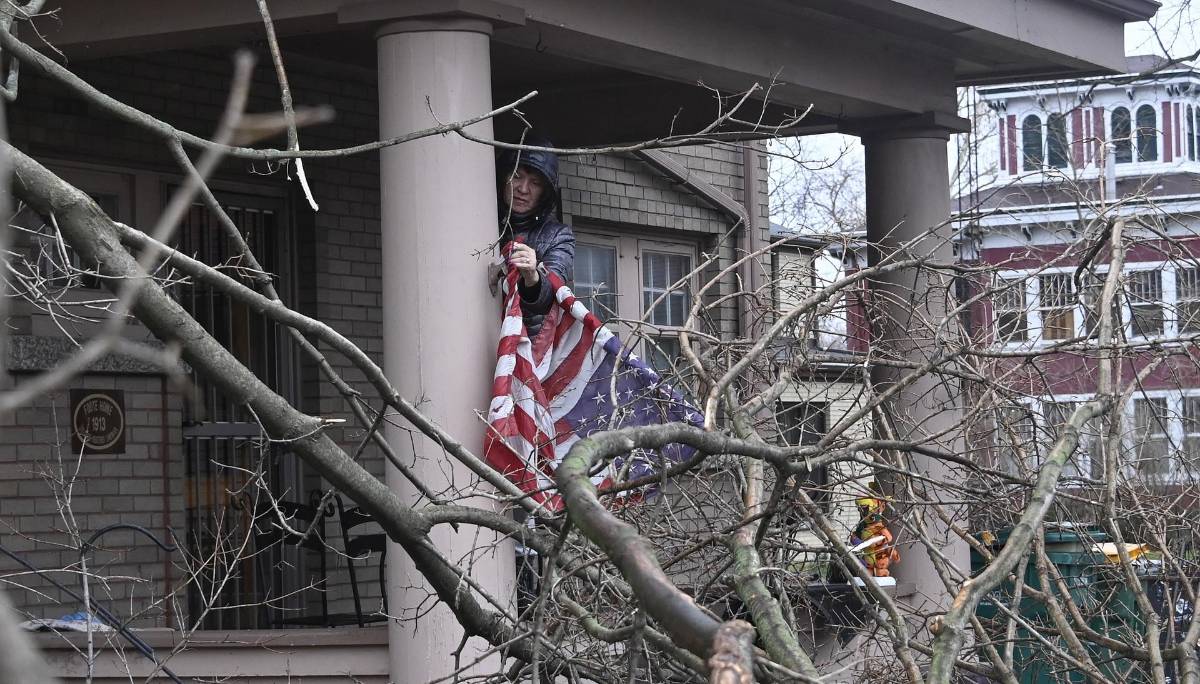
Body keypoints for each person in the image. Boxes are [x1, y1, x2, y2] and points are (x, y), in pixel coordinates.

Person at [495, 137, 575, 336]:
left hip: (525, 351)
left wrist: (533, 276)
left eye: (535, 183)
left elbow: (552, 293)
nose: (523, 189)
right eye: (516, 176)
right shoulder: (476, 218)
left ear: (545, 192)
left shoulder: (557, 235)